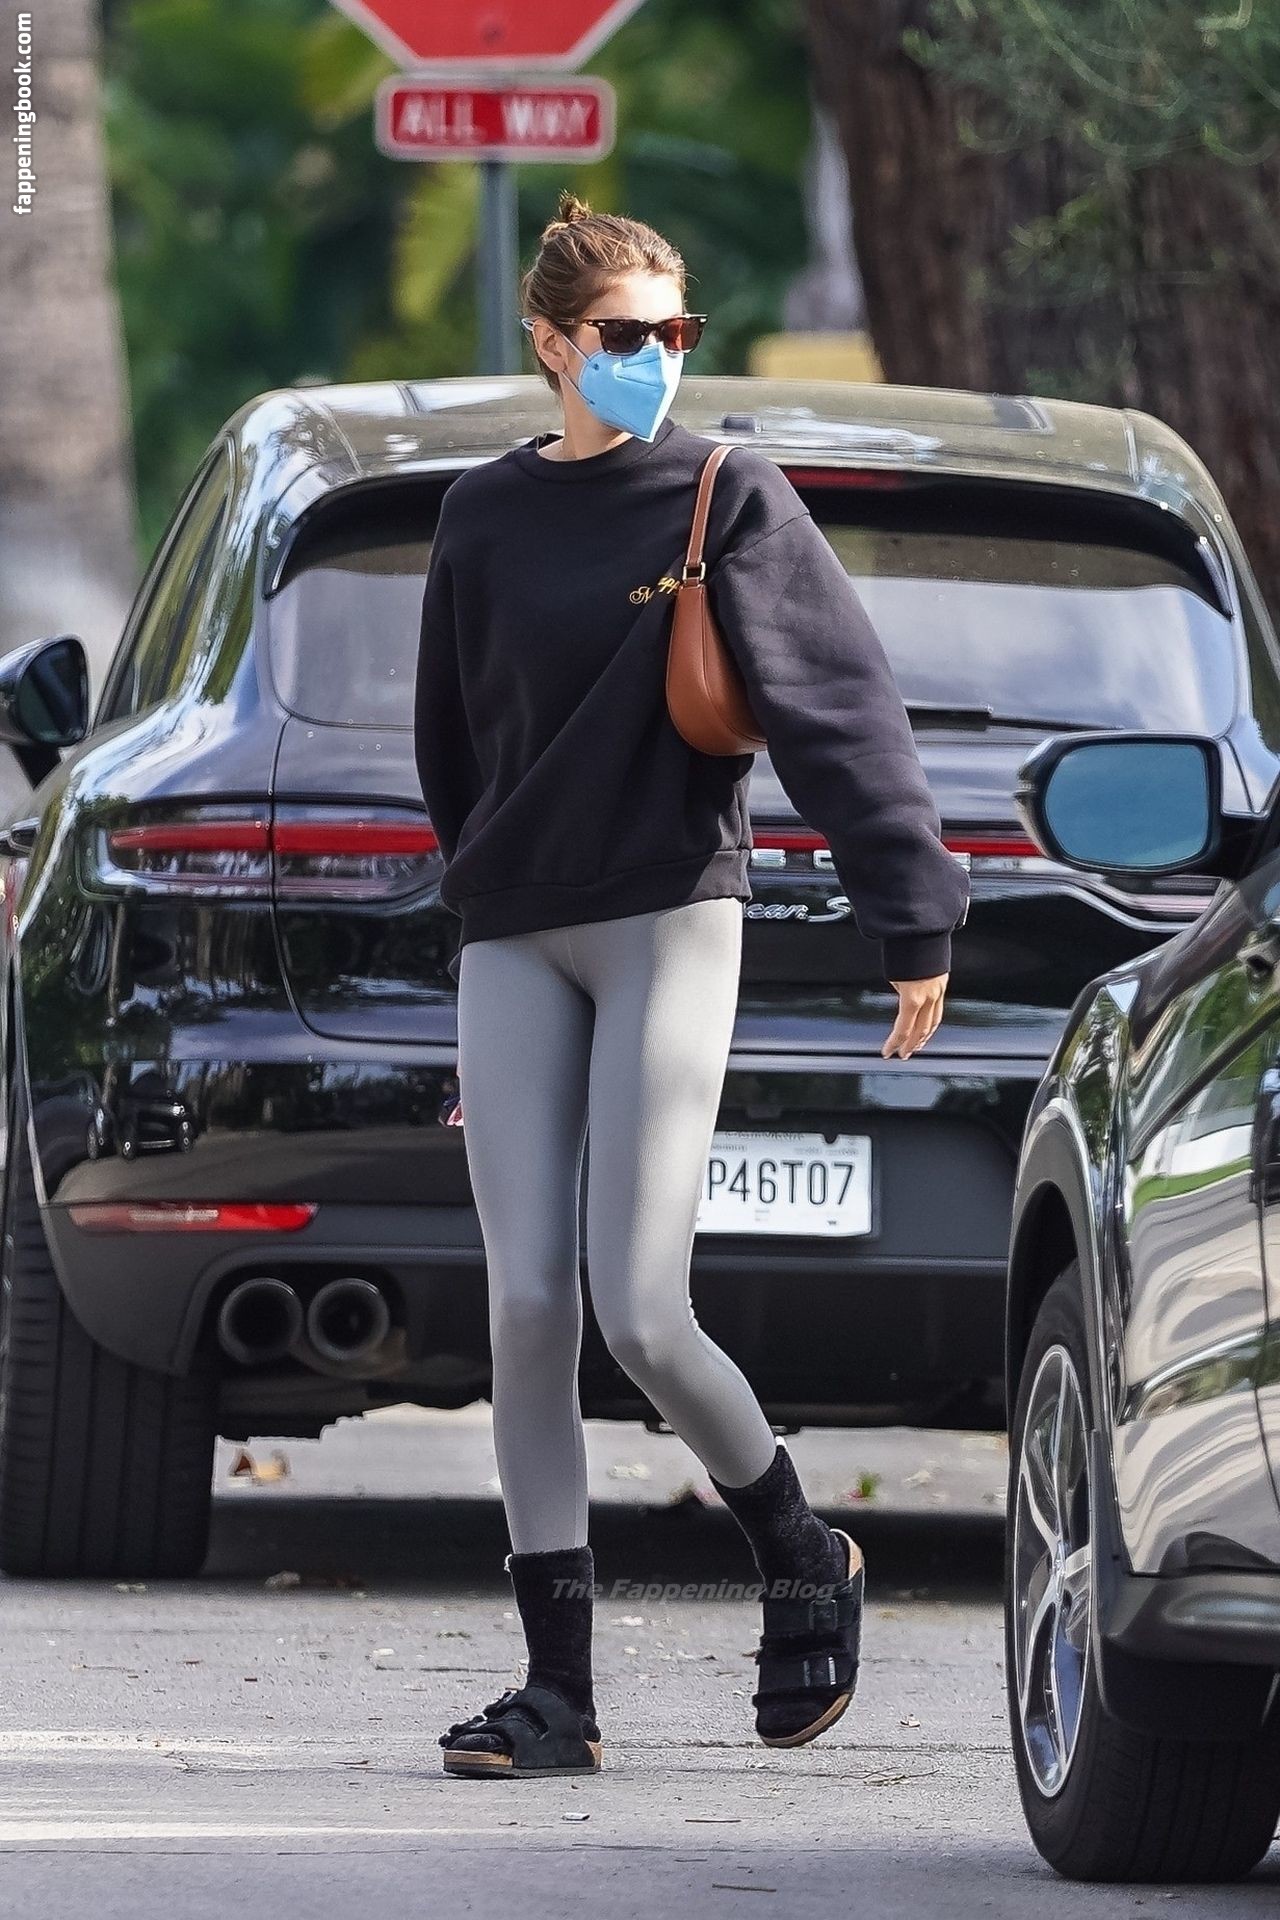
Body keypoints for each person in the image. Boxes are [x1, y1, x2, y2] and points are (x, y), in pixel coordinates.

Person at [414, 191, 970, 1778]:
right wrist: (474, 963)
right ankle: (558, 1695)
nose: (657, 355)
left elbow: (839, 708)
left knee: (642, 1307)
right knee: (527, 1308)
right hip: (516, 930)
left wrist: (912, 914)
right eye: (624, 334)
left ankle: (801, 1550)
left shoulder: (725, 494)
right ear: (550, 344)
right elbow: (454, 748)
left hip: (668, 912)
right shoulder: (481, 515)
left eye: (676, 331)